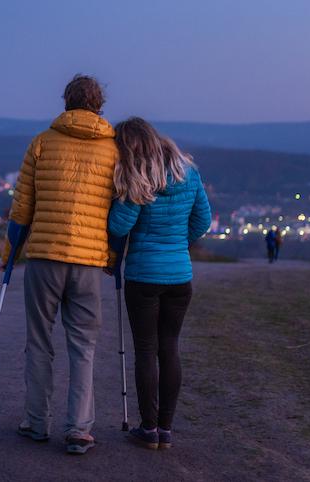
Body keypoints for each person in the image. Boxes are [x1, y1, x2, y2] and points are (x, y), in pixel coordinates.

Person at [0, 74, 119, 455]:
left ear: (66, 102)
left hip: (44, 257)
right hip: (87, 261)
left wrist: (8, 255)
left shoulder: (42, 143)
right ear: (99, 104)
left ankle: (36, 421)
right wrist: (112, 258)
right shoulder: (114, 150)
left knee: (39, 341)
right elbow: (119, 210)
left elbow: (22, 206)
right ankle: (79, 428)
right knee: (83, 345)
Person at [107, 117, 211, 450]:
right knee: (170, 348)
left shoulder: (136, 177)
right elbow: (203, 220)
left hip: (143, 277)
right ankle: (165, 429)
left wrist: (124, 195)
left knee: (146, 351)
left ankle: (148, 428)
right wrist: (178, 243)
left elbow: (120, 227)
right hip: (180, 276)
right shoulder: (188, 172)